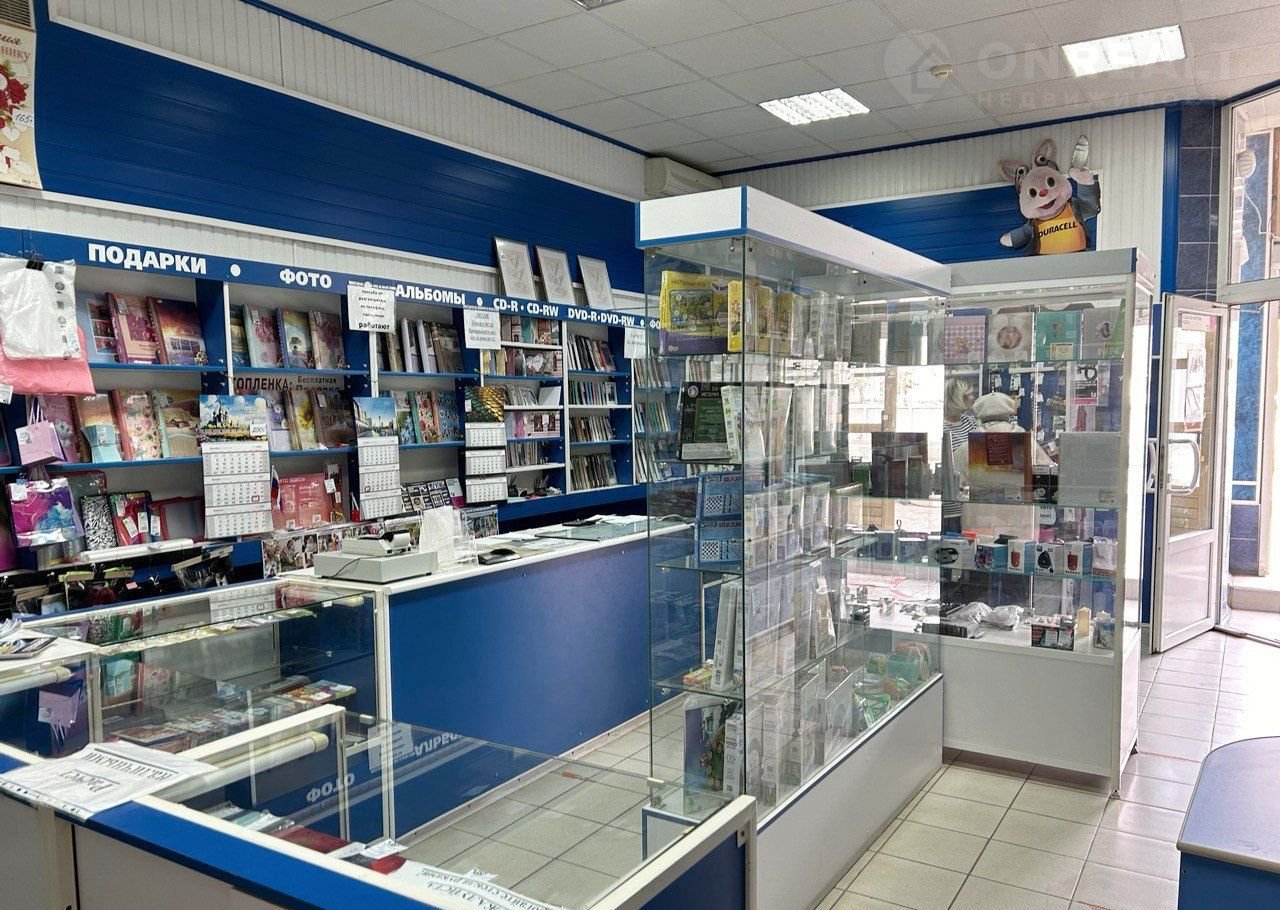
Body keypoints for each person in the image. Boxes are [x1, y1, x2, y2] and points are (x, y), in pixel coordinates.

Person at [942, 379, 979, 532]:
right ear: (958, 398)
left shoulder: (970, 422)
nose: (973, 398)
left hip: (970, 499)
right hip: (949, 502)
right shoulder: (941, 426)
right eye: (968, 395)